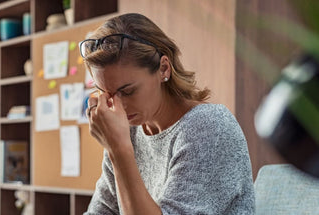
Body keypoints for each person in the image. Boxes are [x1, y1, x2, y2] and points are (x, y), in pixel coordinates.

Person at [80, 13, 254, 215]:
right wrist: (117, 148)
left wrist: (119, 151)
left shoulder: (209, 128)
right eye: (106, 94)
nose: (117, 106)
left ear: (163, 68)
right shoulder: (128, 132)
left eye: (127, 91)